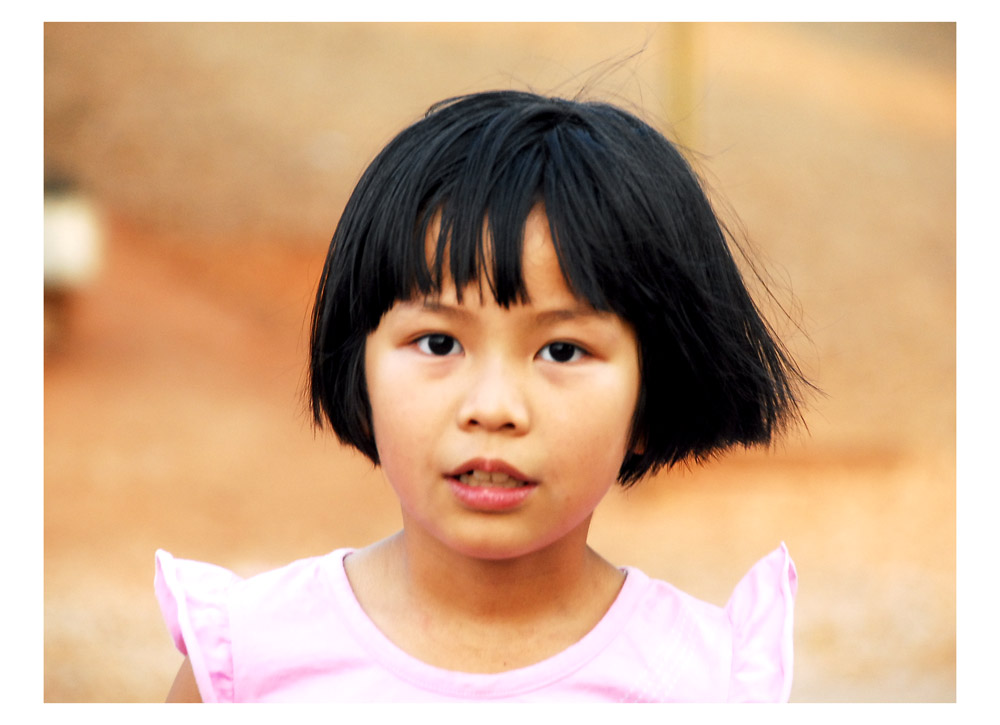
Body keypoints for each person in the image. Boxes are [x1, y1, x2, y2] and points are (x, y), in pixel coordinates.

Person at [155, 90, 808, 703]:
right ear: (359, 370)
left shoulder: (704, 682)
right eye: (439, 343)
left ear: (652, 393)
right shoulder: (248, 661)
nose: (493, 407)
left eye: (561, 350)